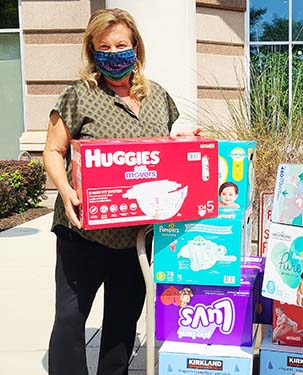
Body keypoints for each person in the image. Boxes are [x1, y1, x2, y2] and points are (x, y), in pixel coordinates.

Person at [42, 8, 192, 375]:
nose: (114, 53)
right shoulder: (79, 95)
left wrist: (184, 143)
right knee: (69, 319)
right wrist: (65, 191)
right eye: (103, 47)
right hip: (83, 230)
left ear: (135, 47)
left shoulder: (158, 96)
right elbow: (53, 150)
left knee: (123, 323)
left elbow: (161, 150)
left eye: (121, 44)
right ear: (92, 52)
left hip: (136, 234)